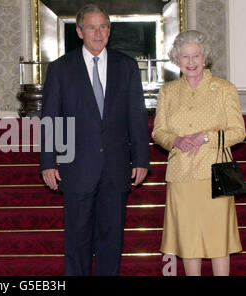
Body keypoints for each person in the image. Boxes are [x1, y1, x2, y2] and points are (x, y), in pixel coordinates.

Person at [40, 4, 150, 276]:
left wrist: (141, 158)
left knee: (111, 242)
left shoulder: (127, 67)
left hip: (116, 168)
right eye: (92, 27)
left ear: (109, 31)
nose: (98, 33)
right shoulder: (60, 69)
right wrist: (48, 162)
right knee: (77, 242)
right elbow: (51, 118)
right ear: (79, 31)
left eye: (103, 27)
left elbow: (136, 116)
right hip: (75, 168)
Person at [152, 30, 244, 276]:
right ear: (176, 59)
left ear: (205, 58)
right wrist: (176, 140)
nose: (191, 62)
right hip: (182, 175)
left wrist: (205, 137)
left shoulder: (224, 88)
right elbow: (158, 132)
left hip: (217, 173)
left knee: (218, 241)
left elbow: (239, 132)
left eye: (196, 56)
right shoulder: (168, 92)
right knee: (188, 241)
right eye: (185, 56)